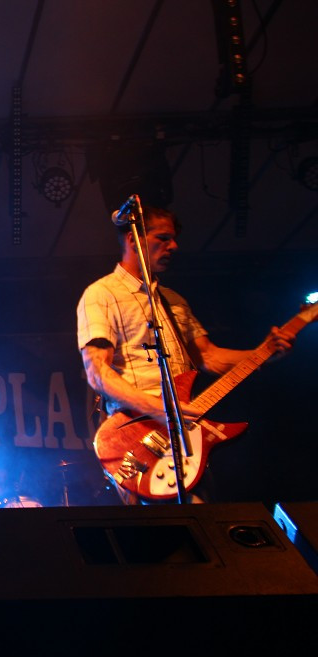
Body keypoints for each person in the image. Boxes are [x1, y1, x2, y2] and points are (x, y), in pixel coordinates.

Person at [76, 206, 293, 502]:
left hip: (184, 429)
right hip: (139, 434)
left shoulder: (174, 301)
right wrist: (158, 409)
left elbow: (209, 357)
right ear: (132, 239)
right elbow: (97, 371)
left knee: (202, 521)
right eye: (163, 238)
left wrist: (264, 352)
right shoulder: (102, 294)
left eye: (174, 239)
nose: (173, 246)